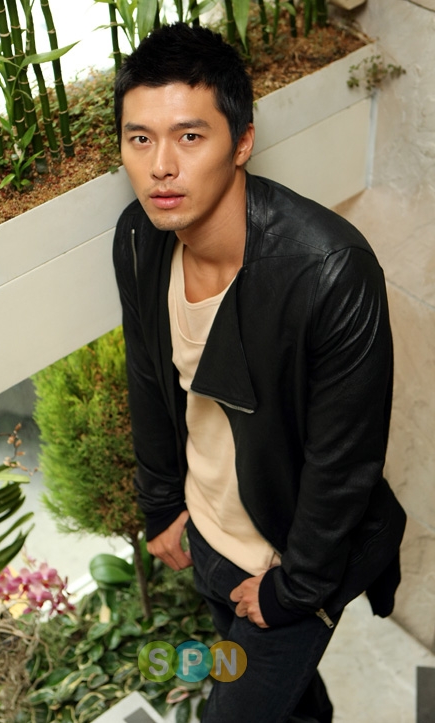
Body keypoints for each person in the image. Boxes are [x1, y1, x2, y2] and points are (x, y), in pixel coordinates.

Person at [112, 22, 406, 723]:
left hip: (291, 555)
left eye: (189, 136)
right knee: (290, 701)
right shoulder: (140, 237)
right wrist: (162, 506)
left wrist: (292, 589)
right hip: (207, 531)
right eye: (139, 139)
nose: (160, 167)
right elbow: (148, 377)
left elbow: (344, 462)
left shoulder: (330, 270)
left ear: (241, 142)